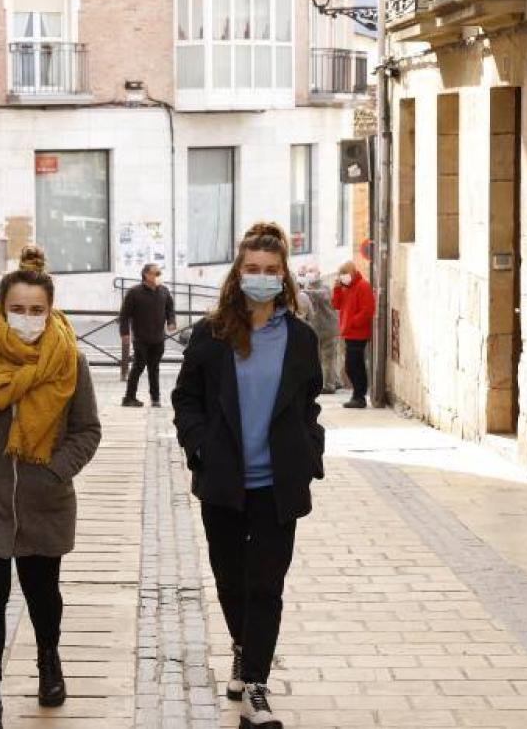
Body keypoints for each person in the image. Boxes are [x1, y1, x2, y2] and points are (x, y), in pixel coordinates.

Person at [0, 245, 102, 729]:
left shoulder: (70, 359)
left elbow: (87, 429)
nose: (26, 319)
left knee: (42, 594)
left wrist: (55, 471)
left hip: (43, 501)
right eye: (17, 309)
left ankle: (48, 656)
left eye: (36, 310)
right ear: (1, 307)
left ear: (49, 311)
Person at [171, 223, 325, 729]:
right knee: (230, 580)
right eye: (252, 269)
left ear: (283, 278)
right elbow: (185, 399)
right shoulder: (212, 334)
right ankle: (241, 647)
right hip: (224, 483)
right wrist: (199, 447)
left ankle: (255, 685)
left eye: (270, 271)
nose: (261, 278)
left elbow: (308, 404)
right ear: (238, 274)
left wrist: (310, 451)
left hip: (278, 484)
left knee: (267, 585)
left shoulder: (300, 338)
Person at [119, 263, 176, 408]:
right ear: (146, 275)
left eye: (159, 273)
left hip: (158, 338)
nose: (158, 276)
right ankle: (129, 397)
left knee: (154, 368)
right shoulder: (134, 292)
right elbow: (124, 314)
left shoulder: (164, 291)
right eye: (155, 273)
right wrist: (124, 332)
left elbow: (170, 308)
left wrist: (171, 322)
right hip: (141, 338)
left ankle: (155, 398)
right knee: (138, 366)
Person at [331, 260, 375, 409]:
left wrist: (352, 323)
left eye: (345, 274)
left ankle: (359, 396)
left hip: (358, 333)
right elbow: (336, 305)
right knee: (352, 365)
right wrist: (337, 288)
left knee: (354, 365)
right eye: (341, 275)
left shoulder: (362, 286)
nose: (343, 277)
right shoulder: (346, 288)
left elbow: (367, 310)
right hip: (349, 333)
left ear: (352, 273)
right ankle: (357, 395)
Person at [302, 268, 343, 394]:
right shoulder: (308, 289)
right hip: (317, 329)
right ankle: (334, 381)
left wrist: (303, 291)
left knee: (328, 357)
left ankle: (329, 385)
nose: (309, 274)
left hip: (328, 329)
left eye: (311, 271)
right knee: (323, 358)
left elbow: (320, 294)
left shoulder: (324, 288)